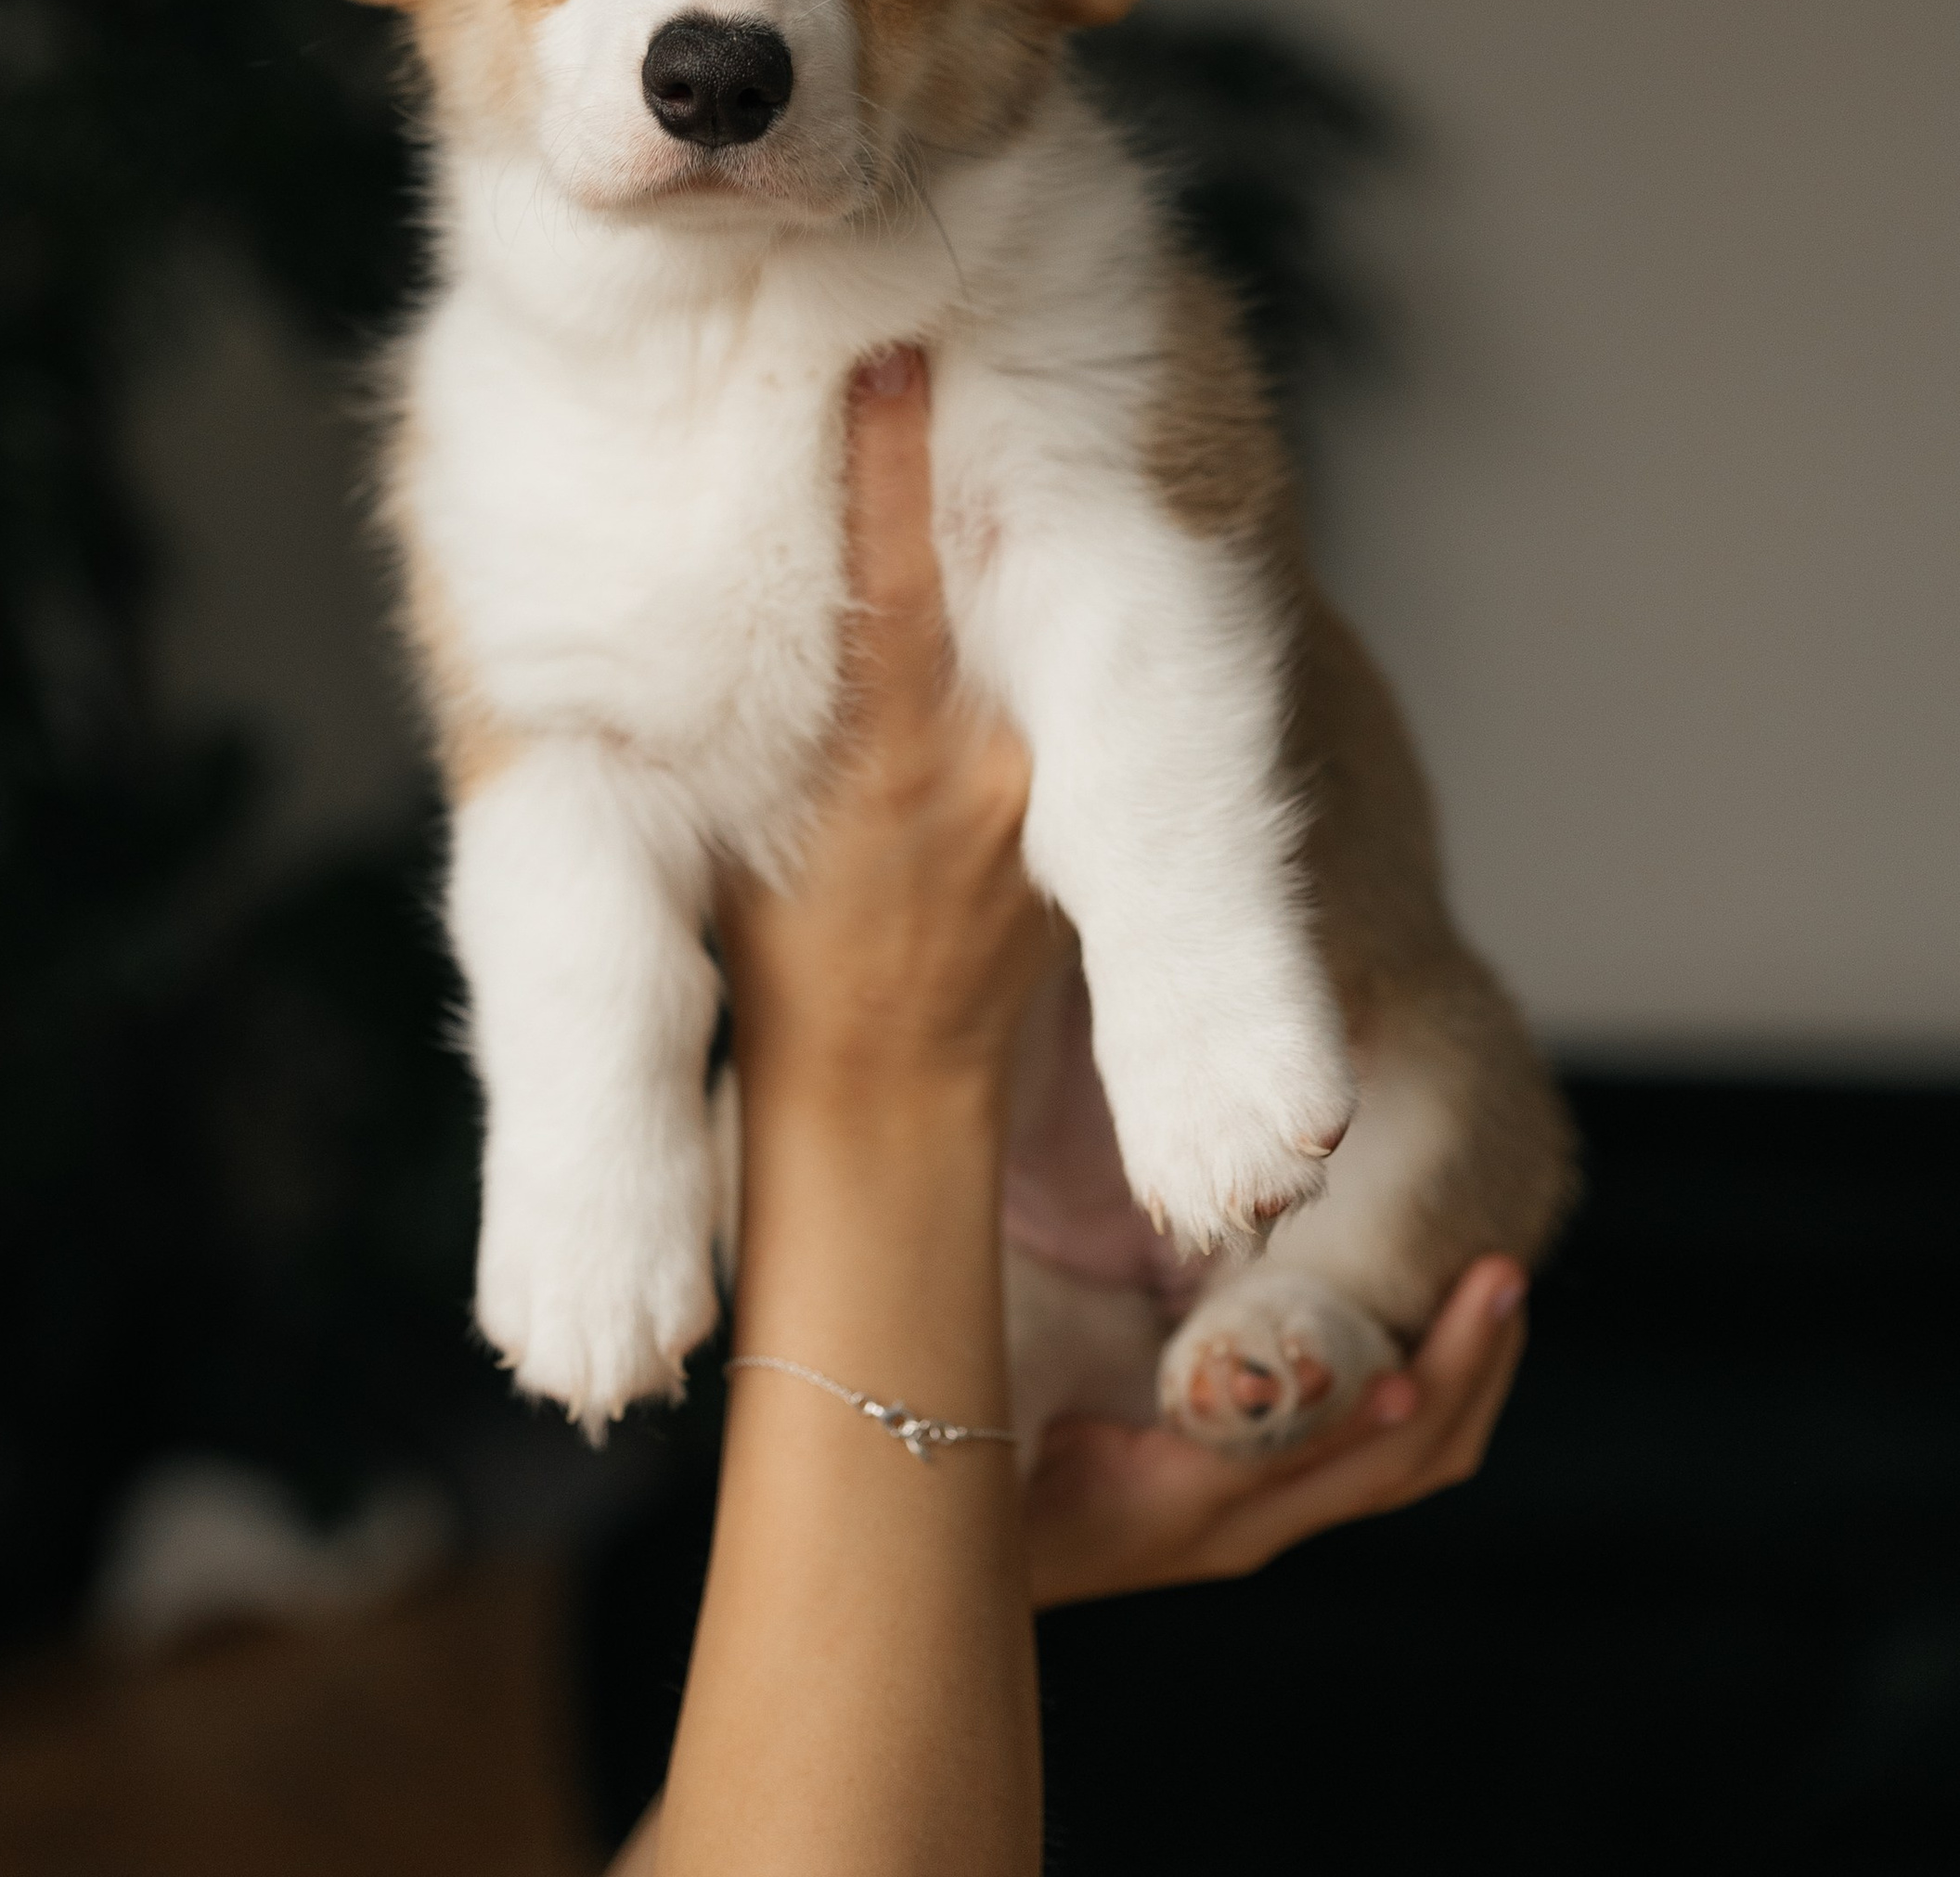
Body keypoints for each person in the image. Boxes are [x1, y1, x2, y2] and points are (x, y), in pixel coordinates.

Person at [613, 350, 1529, 1877]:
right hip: (997, 1225)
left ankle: (1317, 1298)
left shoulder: (1075, 347)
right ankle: (1257, 1326)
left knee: (1431, 1087)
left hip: (1277, 1089)